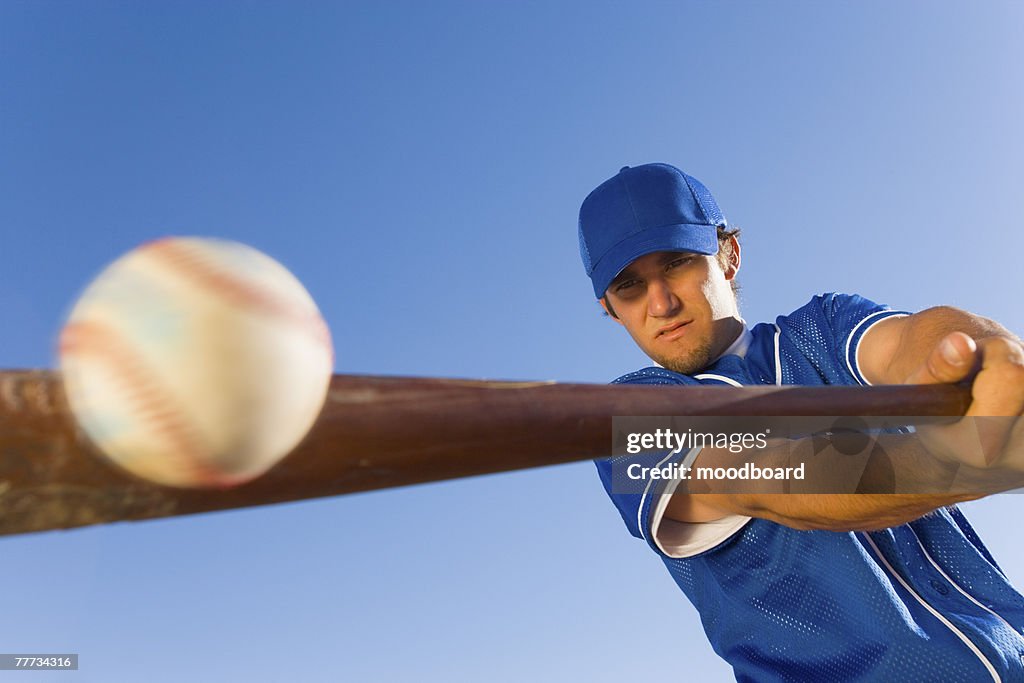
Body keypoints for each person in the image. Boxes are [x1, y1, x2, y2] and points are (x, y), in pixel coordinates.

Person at [579, 163, 1024, 682]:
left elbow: (914, 340)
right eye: (630, 287)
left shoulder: (824, 328)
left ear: (729, 257)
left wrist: (985, 357)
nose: (661, 303)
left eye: (677, 262)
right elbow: (778, 477)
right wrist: (960, 461)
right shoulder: (622, 420)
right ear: (611, 309)